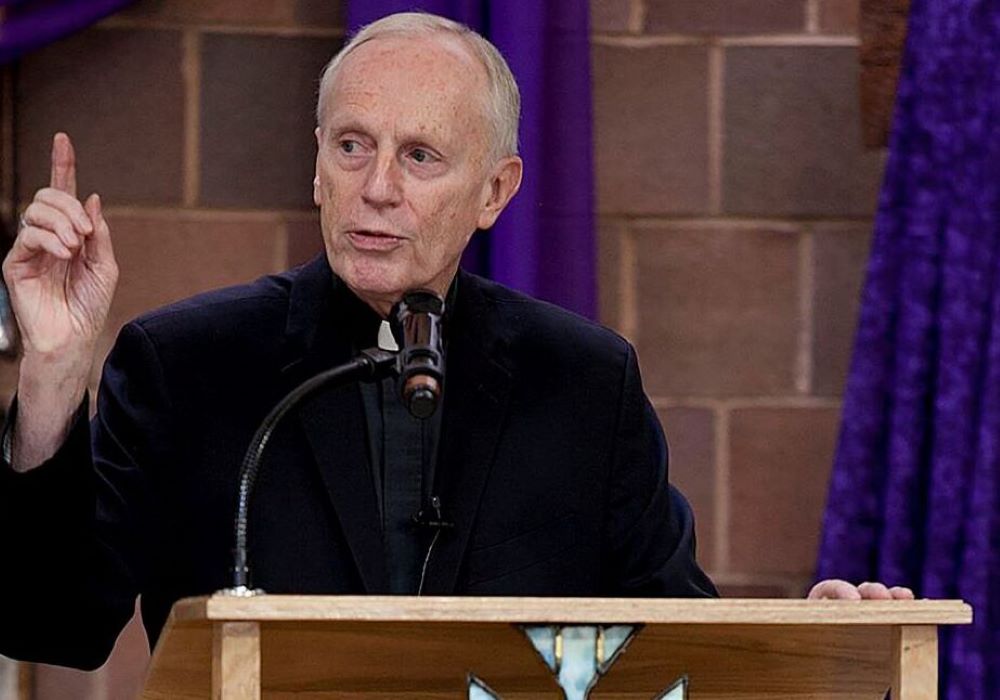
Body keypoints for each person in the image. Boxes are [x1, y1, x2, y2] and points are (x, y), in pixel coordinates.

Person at [0, 12, 909, 672]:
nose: (378, 188)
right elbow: (53, 627)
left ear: (496, 191)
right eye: (353, 147)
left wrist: (811, 643)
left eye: (421, 156)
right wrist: (50, 378)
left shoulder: (584, 380)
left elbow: (665, 645)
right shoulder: (189, 363)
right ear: (316, 165)